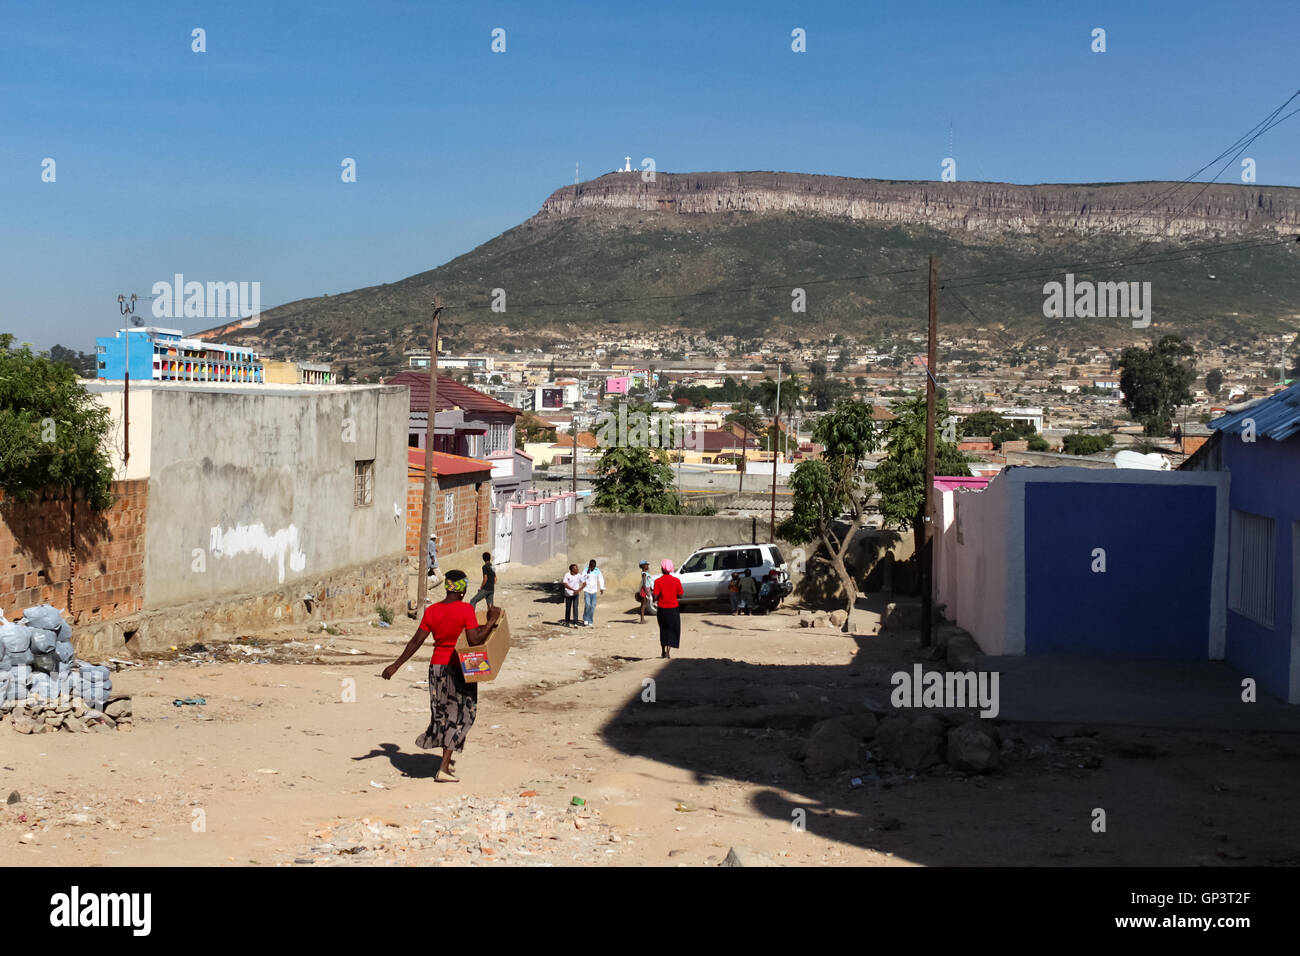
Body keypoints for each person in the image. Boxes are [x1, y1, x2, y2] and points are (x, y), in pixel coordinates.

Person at [381, 570, 501, 783]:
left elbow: (416, 641)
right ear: (463, 590)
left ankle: (442, 760)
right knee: (464, 714)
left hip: (436, 669)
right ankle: (443, 767)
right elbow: (475, 640)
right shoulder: (465, 610)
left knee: (442, 714)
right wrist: (492, 620)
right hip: (458, 669)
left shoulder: (432, 611)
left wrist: (395, 665)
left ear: (447, 587)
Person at [652, 559, 684, 658]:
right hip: (673, 609)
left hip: (662, 609)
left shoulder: (657, 581)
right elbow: (681, 595)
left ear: (662, 569)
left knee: (663, 629)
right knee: (672, 629)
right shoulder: (676, 581)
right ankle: (668, 652)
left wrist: (655, 594)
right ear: (671, 569)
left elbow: (655, 598)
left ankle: (662, 650)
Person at [581, 559, 606, 627]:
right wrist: (586, 574)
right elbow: (581, 578)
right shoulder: (585, 570)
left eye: (594, 566)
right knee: (588, 604)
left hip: (594, 591)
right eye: (592, 566)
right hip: (587, 590)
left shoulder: (597, 570)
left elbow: (601, 579)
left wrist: (602, 588)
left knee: (593, 606)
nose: (593, 568)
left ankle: (590, 620)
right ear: (589, 565)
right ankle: (585, 619)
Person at [638, 559, 656, 624]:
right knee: (643, 605)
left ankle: (642, 619)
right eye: (646, 565)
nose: (648, 566)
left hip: (646, 590)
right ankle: (642, 620)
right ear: (643, 566)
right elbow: (644, 583)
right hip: (644, 590)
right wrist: (646, 592)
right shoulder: (644, 574)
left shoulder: (646, 573)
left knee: (643, 605)